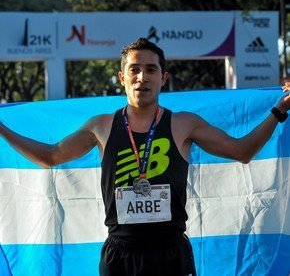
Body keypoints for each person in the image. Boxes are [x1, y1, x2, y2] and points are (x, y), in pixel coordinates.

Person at [0, 37, 290, 276]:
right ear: (122, 77)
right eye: (135, 70)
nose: (142, 77)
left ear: (163, 78)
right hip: (120, 257)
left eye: (151, 70)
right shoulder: (100, 126)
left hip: (171, 255)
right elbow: (49, 156)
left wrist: (280, 109)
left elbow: (243, 151)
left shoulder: (183, 124)